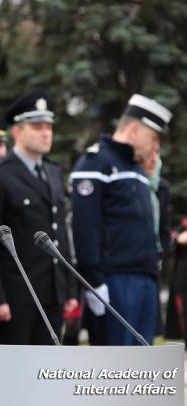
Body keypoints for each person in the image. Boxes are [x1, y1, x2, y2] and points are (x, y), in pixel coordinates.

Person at [70, 94, 172, 345]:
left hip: (144, 277)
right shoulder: (97, 163)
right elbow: (85, 228)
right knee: (115, 371)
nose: (155, 147)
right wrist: (94, 283)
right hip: (115, 281)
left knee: (141, 370)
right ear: (135, 130)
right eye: (154, 138)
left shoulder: (136, 169)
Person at [0, 89, 78, 345]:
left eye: (49, 126)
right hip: (18, 294)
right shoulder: (0, 175)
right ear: (17, 132)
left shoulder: (52, 172)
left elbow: (61, 233)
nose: (46, 132)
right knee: (15, 374)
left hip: (52, 292)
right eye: (37, 126)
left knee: (47, 370)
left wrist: (69, 288)